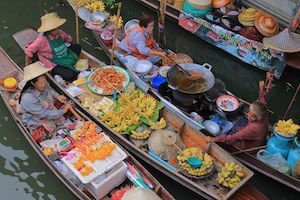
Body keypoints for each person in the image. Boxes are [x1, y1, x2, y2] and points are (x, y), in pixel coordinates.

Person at [206, 81, 269, 150]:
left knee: (231, 136)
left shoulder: (253, 128)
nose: (248, 115)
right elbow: (262, 100)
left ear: (255, 117)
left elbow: (234, 137)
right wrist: (262, 89)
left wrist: (214, 139)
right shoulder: (263, 113)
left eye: (251, 115)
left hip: (248, 146)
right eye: (249, 112)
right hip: (257, 136)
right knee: (241, 121)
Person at [19, 62, 73, 142]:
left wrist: (57, 96)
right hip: (37, 121)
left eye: (44, 82)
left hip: (49, 110)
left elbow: (50, 90)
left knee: (71, 104)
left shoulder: (44, 83)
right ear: (33, 83)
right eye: (41, 83)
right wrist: (63, 110)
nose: (44, 84)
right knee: (40, 137)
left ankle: (59, 122)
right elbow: (44, 114)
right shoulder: (28, 98)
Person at [25, 12, 81, 82]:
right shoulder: (41, 40)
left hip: (64, 54)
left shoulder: (60, 32)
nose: (57, 31)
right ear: (48, 31)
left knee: (78, 47)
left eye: (57, 28)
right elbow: (29, 52)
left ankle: (69, 62)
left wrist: (71, 51)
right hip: (54, 63)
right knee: (70, 75)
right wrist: (27, 67)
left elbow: (69, 39)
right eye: (54, 30)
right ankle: (56, 72)